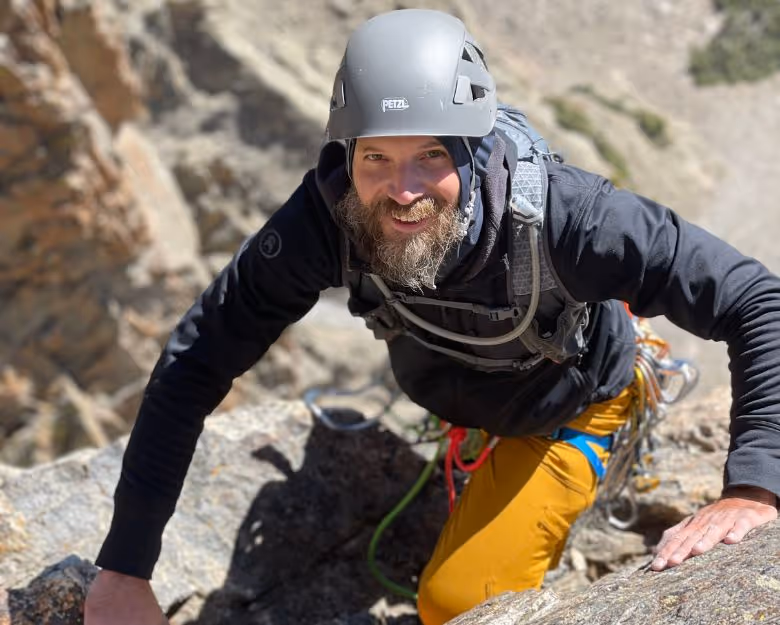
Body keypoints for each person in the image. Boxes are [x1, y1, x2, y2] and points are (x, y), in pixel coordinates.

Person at [84, 8, 779, 625]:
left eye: (432, 155)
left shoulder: (568, 218)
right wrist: (125, 568)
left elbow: (755, 299)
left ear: (473, 152)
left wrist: (753, 487)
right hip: (467, 390)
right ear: (345, 152)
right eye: (378, 156)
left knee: (453, 603)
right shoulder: (328, 219)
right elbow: (199, 356)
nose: (402, 190)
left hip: (570, 403)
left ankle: (610, 403)